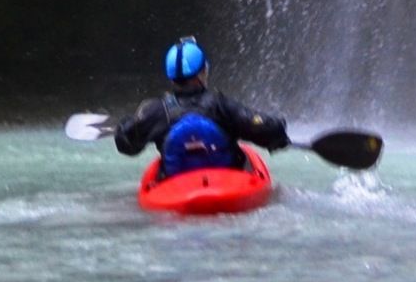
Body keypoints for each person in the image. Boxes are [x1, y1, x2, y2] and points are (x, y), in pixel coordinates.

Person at [108, 37, 289, 180]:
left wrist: (130, 121)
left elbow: (125, 143)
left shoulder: (157, 111)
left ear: (171, 77)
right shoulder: (221, 105)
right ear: (202, 72)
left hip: (177, 186)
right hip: (225, 181)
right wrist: (279, 135)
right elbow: (268, 129)